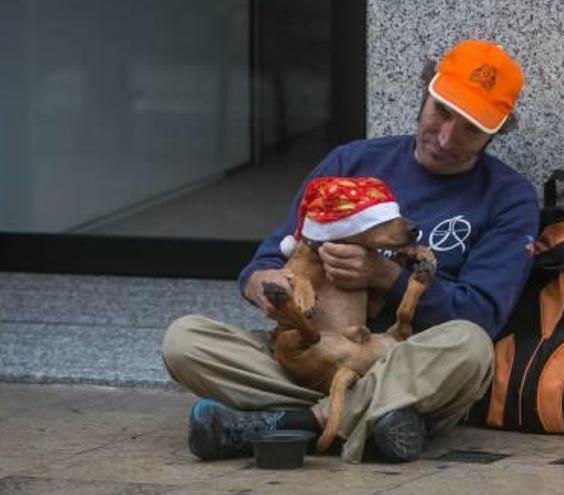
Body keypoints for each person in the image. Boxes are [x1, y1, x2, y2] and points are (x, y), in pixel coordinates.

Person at [161, 39, 540, 463]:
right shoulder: (353, 160)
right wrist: (268, 287)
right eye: (442, 112)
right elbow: (267, 260)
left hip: (403, 361)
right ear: (424, 94)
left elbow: (482, 315)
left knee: (470, 349)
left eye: (471, 127)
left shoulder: (509, 198)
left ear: (495, 132)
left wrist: (384, 276)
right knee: (185, 340)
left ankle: (292, 425)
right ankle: (374, 420)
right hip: (314, 355)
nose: (447, 137)